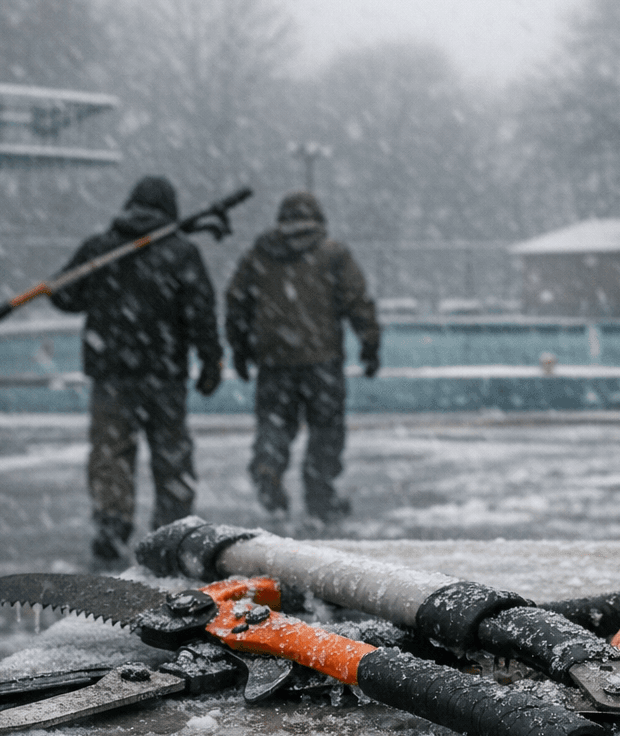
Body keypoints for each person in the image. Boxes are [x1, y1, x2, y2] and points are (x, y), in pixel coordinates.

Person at [50, 175, 224, 563]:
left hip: (112, 374)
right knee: (172, 453)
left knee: (111, 452)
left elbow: (64, 296)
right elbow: (202, 313)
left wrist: (75, 281)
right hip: (165, 373)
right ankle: (173, 534)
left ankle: (111, 525)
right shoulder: (182, 253)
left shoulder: (99, 248)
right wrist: (210, 360)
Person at [224, 190, 380, 521]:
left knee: (274, 425)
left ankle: (268, 470)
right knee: (326, 430)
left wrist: (239, 348)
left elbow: (236, 303)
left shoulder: (258, 256)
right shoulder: (333, 255)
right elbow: (358, 301)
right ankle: (320, 496)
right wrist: (369, 343)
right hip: (322, 361)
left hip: (274, 361)